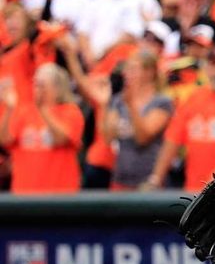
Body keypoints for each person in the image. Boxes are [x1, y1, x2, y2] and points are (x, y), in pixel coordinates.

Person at [144, 46, 215, 191]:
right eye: (214, 65)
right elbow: (172, 140)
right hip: (194, 187)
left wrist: (214, 181)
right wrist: (156, 178)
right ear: (206, 68)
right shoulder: (194, 97)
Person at [0, 63, 83, 193]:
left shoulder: (71, 112)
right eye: (35, 84)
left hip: (61, 197)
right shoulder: (24, 112)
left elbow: (62, 138)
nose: (37, 89)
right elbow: (4, 140)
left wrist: (42, 110)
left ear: (57, 88)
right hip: (24, 195)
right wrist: (9, 109)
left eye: (42, 85)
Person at [101, 49, 174, 191]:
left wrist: (131, 106)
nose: (127, 74)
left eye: (133, 69)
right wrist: (105, 103)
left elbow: (143, 138)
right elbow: (108, 137)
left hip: (148, 182)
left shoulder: (162, 102)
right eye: (127, 69)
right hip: (120, 179)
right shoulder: (119, 100)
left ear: (149, 72)